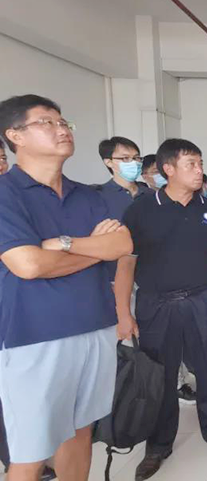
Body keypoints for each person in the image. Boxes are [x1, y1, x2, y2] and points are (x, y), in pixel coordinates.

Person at [0, 94, 132, 481]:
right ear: (15, 136)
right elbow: (28, 265)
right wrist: (94, 250)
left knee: (79, 432)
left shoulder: (86, 195)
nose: (62, 130)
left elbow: (122, 245)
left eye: (63, 123)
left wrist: (63, 244)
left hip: (96, 327)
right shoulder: (6, 194)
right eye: (47, 122)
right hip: (35, 337)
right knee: (31, 452)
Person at [115, 138, 207, 479]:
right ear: (168, 169)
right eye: (191, 164)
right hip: (156, 304)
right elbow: (126, 263)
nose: (199, 171)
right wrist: (123, 312)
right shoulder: (141, 209)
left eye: (200, 163)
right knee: (159, 376)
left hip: (201, 300)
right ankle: (158, 444)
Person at [0, 132, 58, 481]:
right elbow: (30, 263)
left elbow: (113, 246)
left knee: (38, 409)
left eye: (1, 157)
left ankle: (29, 460)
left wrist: (59, 247)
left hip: (30, 319)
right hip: (13, 317)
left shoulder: (27, 200)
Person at [94, 137, 153, 283]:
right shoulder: (97, 197)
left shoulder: (152, 195)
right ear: (108, 162)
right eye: (125, 158)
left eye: (136, 158)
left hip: (152, 274)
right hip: (115, 276)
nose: (133, 163)